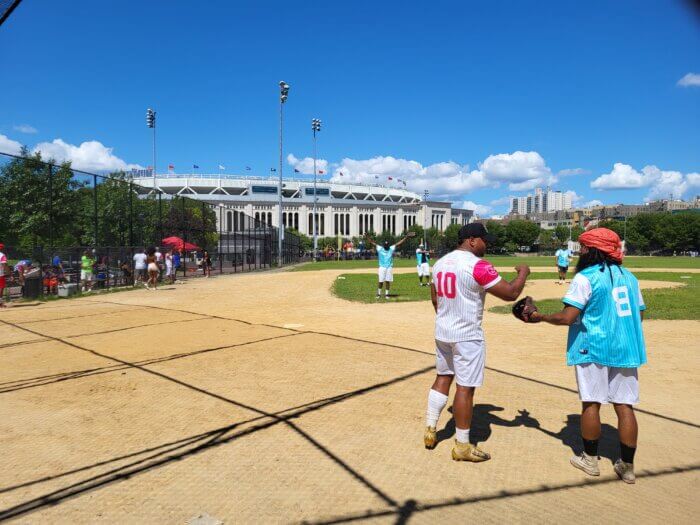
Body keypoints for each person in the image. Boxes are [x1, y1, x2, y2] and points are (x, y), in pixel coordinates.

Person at [529, 228, 646, 484]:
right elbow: (639, 314)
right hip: (626, 349)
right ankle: (627, 466)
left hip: (592, 347)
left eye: (584, 247)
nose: (580, 251)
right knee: (624, 406)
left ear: (593, 250)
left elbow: (567, 317)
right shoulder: (630, 277)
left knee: (591, 402)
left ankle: (590, 460)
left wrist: (541, 317)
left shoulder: (586, 277)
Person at [423, 223, 531, 462]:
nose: (487, 244)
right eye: (484, 240)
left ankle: (431, 429)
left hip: (443, 330)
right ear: (471, 240)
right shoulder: (477, 265)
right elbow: (511, 293)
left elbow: (435, 299)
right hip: (467, 335)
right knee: (465, 388)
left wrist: (447, 318)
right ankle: (462, 446)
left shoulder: (440, 263)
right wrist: (523, 272)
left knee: (443, 377)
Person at [364, 232, 416, 300]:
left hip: (389, 267)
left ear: (388, 245)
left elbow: (399, 243)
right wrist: (367, 236)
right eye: (385, 245)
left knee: (388, 281)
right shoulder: (380, 248)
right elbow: (372, 242)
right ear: (384, 245)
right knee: (381, 281)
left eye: (387, 245)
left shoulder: (391, 248)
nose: (386, 246)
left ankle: (387, 294)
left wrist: (406, 237)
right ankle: (378, 294)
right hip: (382, 267)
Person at [0, 243, 7, 307]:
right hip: (0, 275)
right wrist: (10, 274)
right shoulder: (2, 255)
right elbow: (4, 265)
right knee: (1, 288)